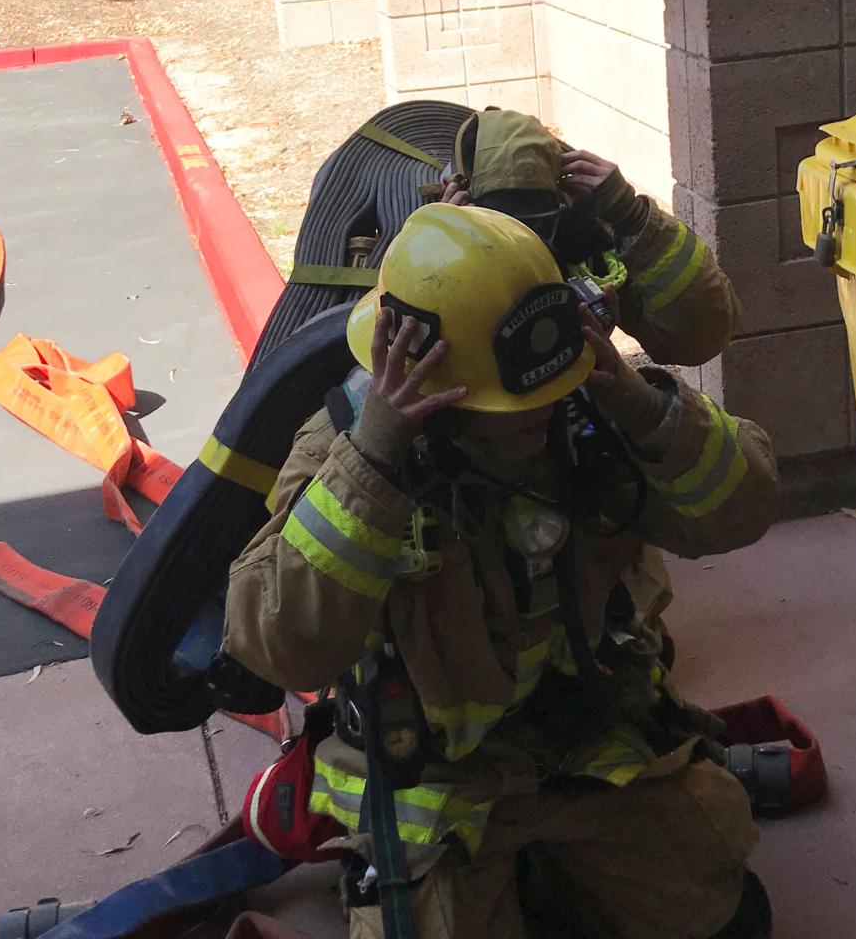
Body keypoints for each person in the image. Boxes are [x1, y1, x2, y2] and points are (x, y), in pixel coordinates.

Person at [220, 202, 780, 939]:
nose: (539, 416)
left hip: (582, 738)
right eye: (511, 400)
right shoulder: (349, 444)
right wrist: (374, 466)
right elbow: (278, 645)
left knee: (723, 919)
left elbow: (741, 511)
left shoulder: (584, 404)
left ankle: (547, 880)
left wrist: (644, 411)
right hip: (434, 781)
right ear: (428, 374)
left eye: (549, 393)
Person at [433, 108, 739, 368]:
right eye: (501, 224)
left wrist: (634, 219)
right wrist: (439, 256)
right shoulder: (429, 251)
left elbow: (702, 338)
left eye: (535, 226)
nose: (523, 244)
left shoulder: (578, 247)